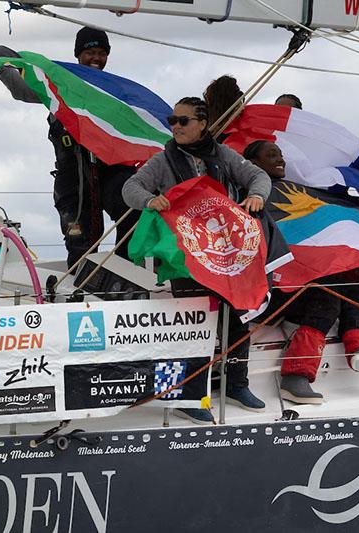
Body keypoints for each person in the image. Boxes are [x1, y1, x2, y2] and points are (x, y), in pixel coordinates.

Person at [122, 96, 271, 423]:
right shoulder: (162, 161)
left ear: (203, 124)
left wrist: (257, 195)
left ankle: (236, 384)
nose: (175, 126)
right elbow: (130, 189)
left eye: (183, 120)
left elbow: (258, 177)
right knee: (189, 324)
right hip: (184, 256)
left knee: (236, 319)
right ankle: (185, 395)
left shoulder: (223, 154)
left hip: (223, 254)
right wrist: (150, 200)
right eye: (172, 120)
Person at [244, 140, 359, 404]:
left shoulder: (293, 188)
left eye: (281, 154)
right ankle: (295, 377)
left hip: (300, 283)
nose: (280, 159)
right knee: (327, 297)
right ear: (252, 164)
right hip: (269, 293)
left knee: (348, 286)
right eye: (271, 155)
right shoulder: (252, 196)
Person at [0, 27, 139, 268]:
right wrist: (1, 61)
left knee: (135, 212)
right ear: (78, 54)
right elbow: (22, 90)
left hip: (110, 173)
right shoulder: (59, 85)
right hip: (73, 179)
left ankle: (122, 271)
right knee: (80, 243)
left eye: (102, 53)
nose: (96, 58)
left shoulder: (113, 90)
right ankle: (82, 287)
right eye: (90, 52)